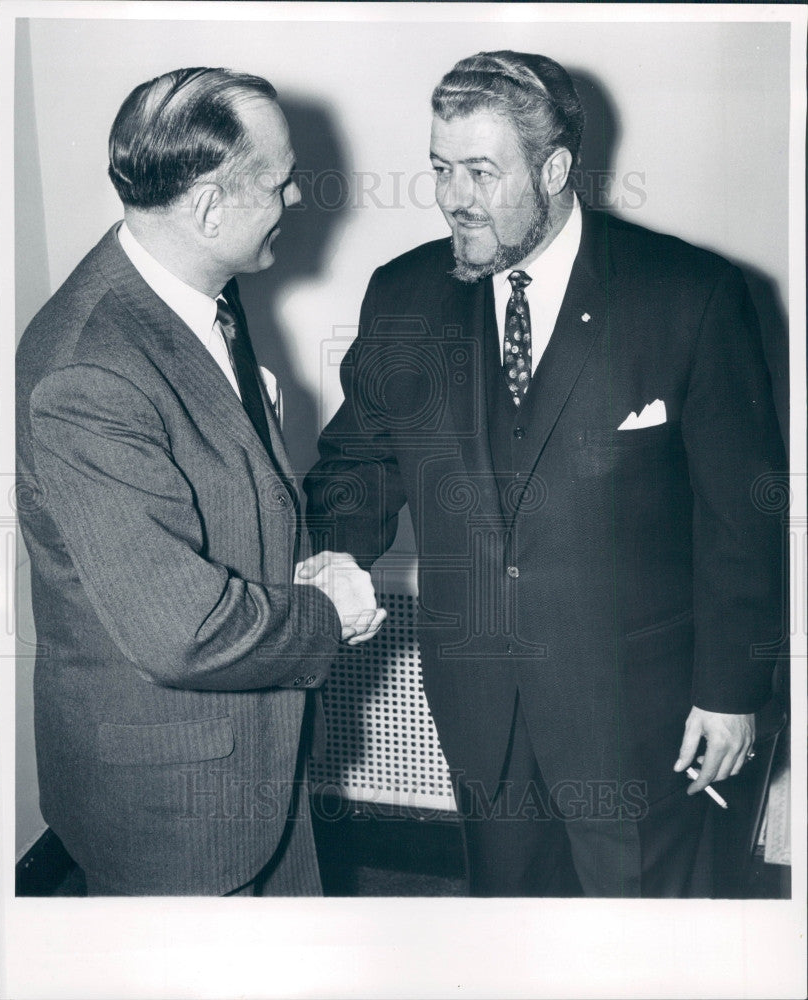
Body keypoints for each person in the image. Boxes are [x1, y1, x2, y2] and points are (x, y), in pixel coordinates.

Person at [302, 51, 786, 897]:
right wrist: (338, 550)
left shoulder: (690, 294)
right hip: (481, 709)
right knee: (512, 936)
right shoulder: (405, 295)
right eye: (441, 169)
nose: (454, 196)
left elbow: (741, 517)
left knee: (645, 945)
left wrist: (732, 690)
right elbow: (358, 461)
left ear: (555, 168)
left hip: (641, 715)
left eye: (481, 172)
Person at [16, 67, 384, 896]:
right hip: (176, 810)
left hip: (258, 759)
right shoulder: (86, 369)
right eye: (281, 183)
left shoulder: (196, 290)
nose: (295, 200)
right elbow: (182, 632)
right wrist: (329, 610)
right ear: (211, 208)